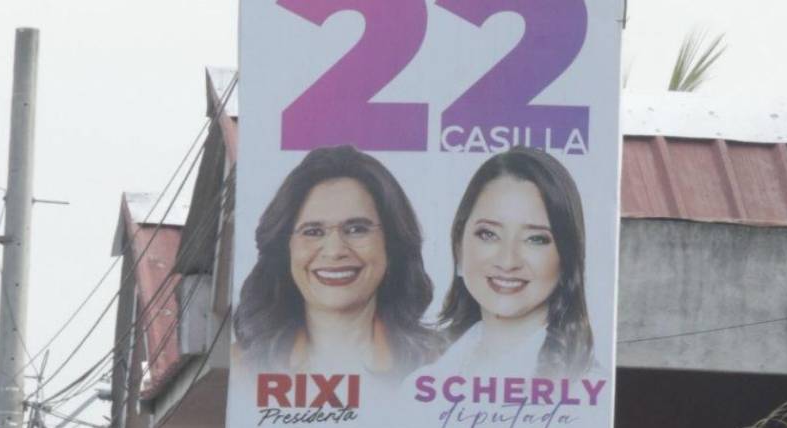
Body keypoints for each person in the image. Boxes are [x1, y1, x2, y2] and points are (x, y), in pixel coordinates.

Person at [233, 145, 437, 376]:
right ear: (285, 248)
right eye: (313, 231)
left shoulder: (441, 365)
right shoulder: (243, 368)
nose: (334, 251)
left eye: (357, 229)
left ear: (391, 243)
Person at [434, 147, 594, 376]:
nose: (507, 261)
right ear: (459, 247)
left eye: (535, 239)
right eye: (488, 234)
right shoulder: (420, 384)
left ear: (566, 257)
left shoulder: (583, 387)